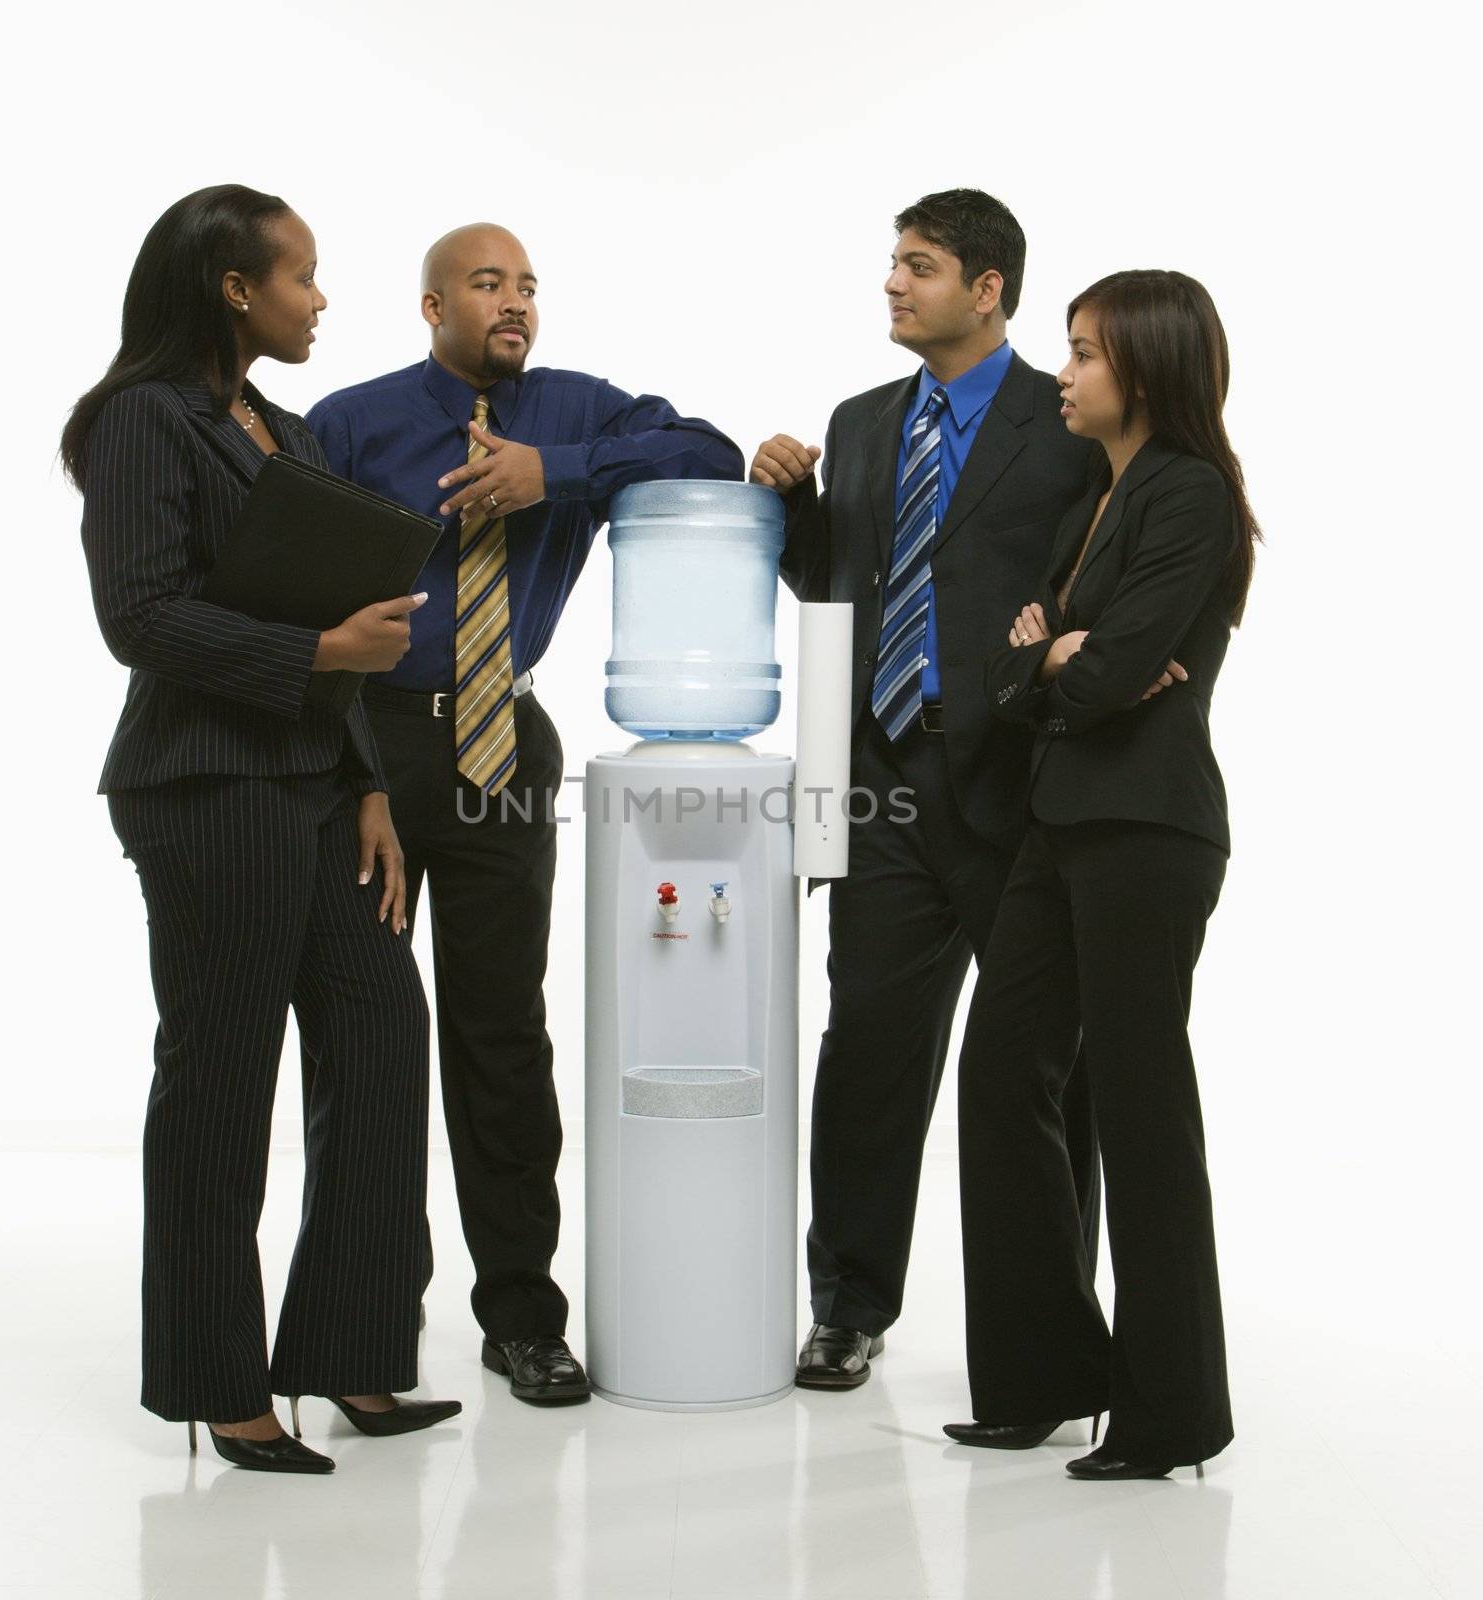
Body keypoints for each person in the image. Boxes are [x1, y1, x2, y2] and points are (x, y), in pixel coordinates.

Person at [305, 222, 743, 1404]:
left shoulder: (570, 408)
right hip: (375, 740)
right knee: (369, 1040)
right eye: (489, 284)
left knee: (502, 1037)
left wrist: (553, 475)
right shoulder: (352, 421)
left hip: (507, 738)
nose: (515, 303)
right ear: (431, 304)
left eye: (530, 287)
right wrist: (351, 775)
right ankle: (363, 1329)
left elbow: (710, 452)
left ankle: (521, 1320)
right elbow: (295, 584)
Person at [63, 184, 461, 1473]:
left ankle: (347, 1353)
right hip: (205, 787)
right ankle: (218, 1382)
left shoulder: (280, 428)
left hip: (311, 782)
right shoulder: (144, 419)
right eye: (300, 275)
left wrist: (367, 786)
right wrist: (316, 651)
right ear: (235, 289)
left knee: (382, 1031)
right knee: (224, 1077)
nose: (319, 297)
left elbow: (333, 615)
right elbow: (140, 615)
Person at [753, 189, 1101, 1389]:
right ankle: (848, 1305)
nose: (893, 286)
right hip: (885, 784)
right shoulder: (858, 424)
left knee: (1048, 1067)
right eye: (891, 265)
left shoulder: (1063, 423)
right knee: (870, 1053)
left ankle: (1057, 1322)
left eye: (918, 267)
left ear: (988, 288)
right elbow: (842, 587)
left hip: (1019, 785)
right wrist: (791, 506)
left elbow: (1099, 578)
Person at [944, 268, 1259, 1479]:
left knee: (1137, 1104)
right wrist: (1054, 662)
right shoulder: (1099, 497)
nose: (1062, 370)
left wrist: (1066, 661)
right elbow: (1019, 668)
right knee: (998, 1072)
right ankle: (1043, 1378)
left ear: (1145, 364)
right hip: (1062, 819)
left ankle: (1169, 1414)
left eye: (1082, 351)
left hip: (1145, 831)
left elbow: (1111, 671)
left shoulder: (1188, 494)